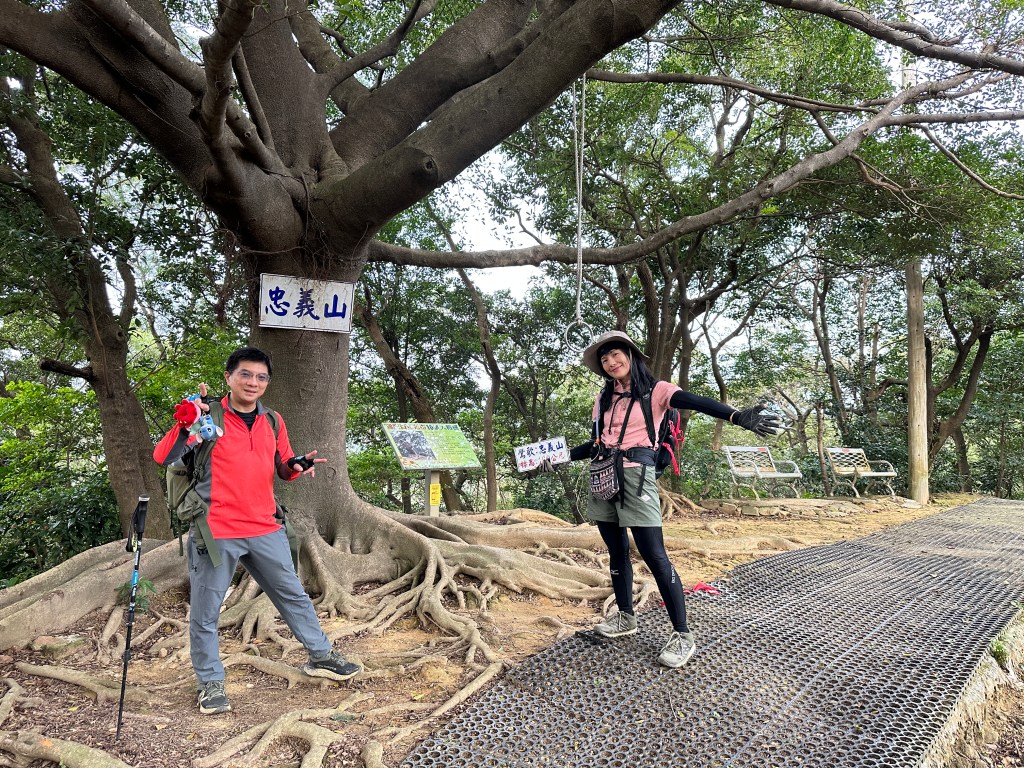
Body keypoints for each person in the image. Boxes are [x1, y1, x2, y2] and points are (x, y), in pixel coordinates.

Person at [554, 331, 781, 669]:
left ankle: (682, 634)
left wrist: (736, 417)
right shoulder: (602, 400)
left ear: (630, 355)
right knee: (616, 551)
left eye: (615, 354)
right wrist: (557, 457)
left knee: (655, 555)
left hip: (637, 478)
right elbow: (596, 444)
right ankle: (626, 616)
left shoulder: (657, 391)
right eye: (604, 359)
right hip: (603, 476)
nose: (610, 362)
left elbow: (695, 401)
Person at [153, 346, 361, 714]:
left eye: (261, 377)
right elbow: (162, 456)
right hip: (216, 530)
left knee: (293, 595)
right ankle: (210, 682)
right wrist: (187, 421)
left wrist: (297, 466)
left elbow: (283, 467)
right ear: (228, 377)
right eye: (245, 374)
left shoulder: (272, 421)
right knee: (206, 610)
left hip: (265, 526)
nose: (253, 382)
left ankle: (321, 655)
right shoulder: (207, 417)